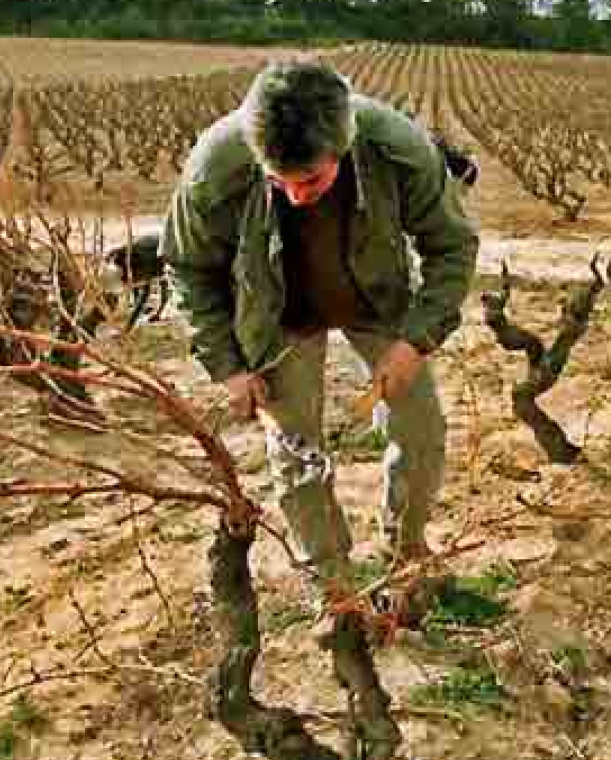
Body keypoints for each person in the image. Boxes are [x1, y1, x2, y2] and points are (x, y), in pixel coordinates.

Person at [162, 58, 479, 575]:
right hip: (275, 316)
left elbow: (452, 246)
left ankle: (406, 550)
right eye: (278, 179)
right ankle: (330, 579)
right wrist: (227, 366)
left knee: (421, 429)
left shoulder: (396, 148)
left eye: (311, 179)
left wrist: (414, 341)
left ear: (344, 146)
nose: (294, 195)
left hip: (377, 297)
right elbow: (188, 267)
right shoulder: (214, 166)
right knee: (295, 449)